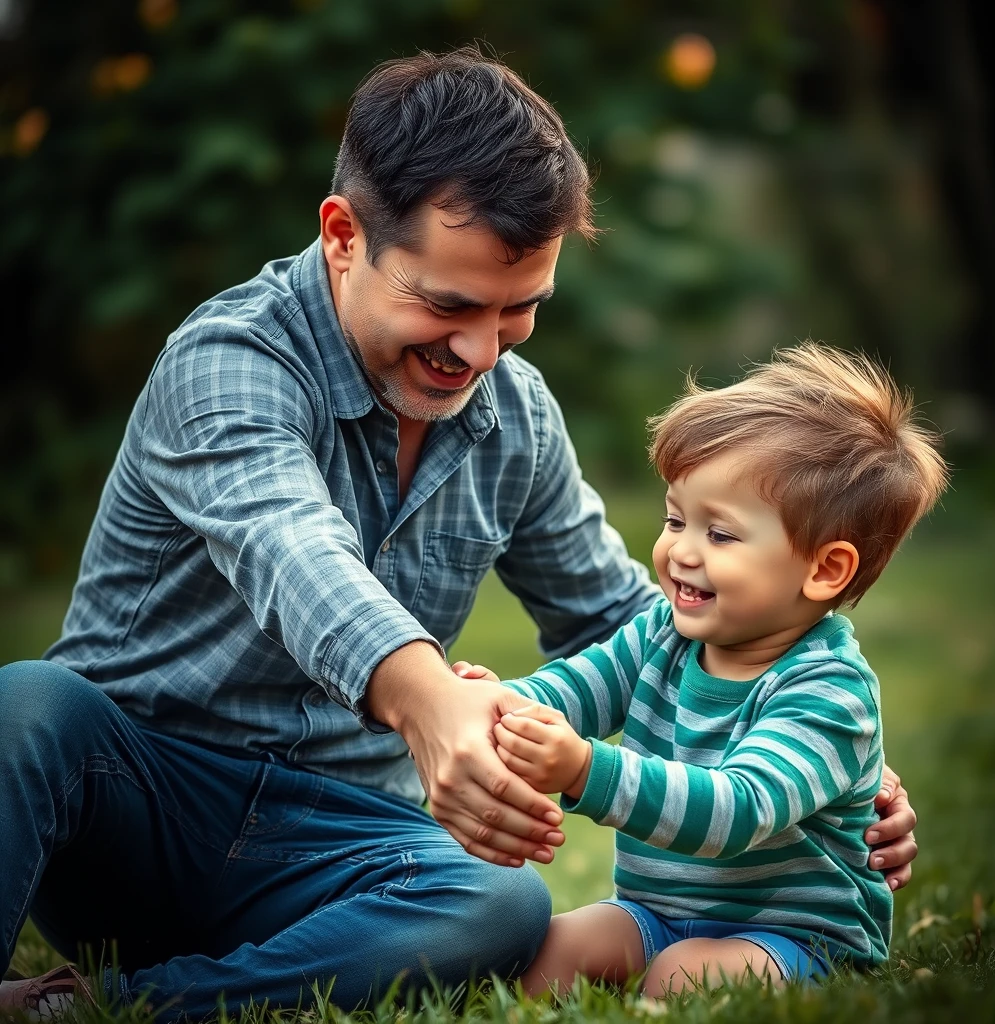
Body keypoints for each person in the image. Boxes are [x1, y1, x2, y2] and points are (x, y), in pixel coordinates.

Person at [0, 48, 919, 1019]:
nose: (479, 352)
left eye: (518, 308)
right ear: (344, 235)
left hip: (337, 844)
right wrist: (430, 703)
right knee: (29, 704)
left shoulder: (512, 412)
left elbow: (624, 621)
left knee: (500, 902)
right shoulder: (230, 360)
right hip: (141, 801)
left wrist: (810, 748)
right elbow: (294, 553)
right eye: (446, 304)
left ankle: (112, 1007)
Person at [453, 344, 946, 996]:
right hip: (656, 913)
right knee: (544, 956)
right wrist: (503, 704)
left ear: (825, 569)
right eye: (675, 518)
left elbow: (736, 811)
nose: (680, 551)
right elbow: (583, 684)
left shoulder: (828, 689)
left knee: (683, 977)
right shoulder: (665, 633)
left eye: (720, 534)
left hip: (794, 935)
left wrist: (583, 770)